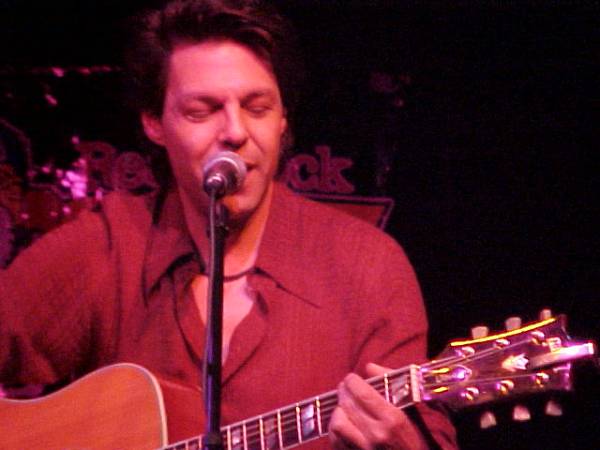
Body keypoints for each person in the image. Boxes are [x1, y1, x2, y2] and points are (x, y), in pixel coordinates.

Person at [0, 1, 457, 449]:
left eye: (257, 107)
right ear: (155, 123)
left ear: (283, 120)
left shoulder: (367, 266)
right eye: (203, 110)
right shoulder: (110, 245)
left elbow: (425, 433)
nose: (235, 131)